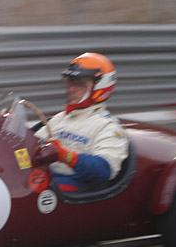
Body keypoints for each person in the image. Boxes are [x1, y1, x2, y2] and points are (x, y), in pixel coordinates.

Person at [36, 52, 129, 192]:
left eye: (79, 84)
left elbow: (105, 170)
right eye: (70, 82)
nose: (71, 89)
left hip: (76, 187)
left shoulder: (108, 127)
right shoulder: (60, 118)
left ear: (98, 88)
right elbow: (32, 144)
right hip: (47, 179)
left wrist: (65, 155)